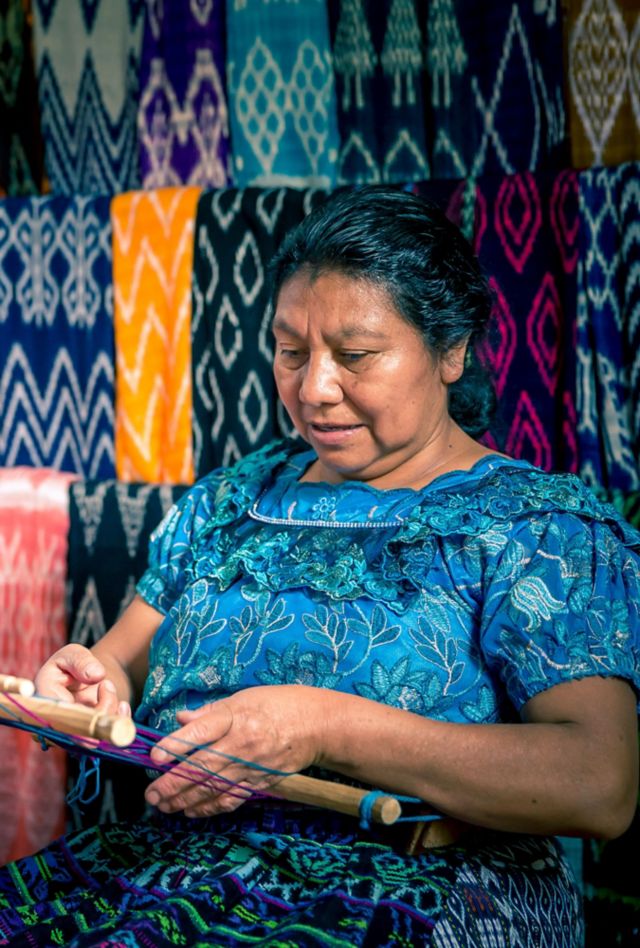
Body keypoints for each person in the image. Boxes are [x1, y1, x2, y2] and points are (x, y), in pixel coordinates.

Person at [0, 186, 638, 947]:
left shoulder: (536, 526)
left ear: (452, 349)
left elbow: (601, 783)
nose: (314, 390)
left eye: (356, 356)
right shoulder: (232, 501)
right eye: (291, 352)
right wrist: (89, 684)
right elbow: (117, 663)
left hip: (417, 892)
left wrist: (322, 726)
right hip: (174, 876)